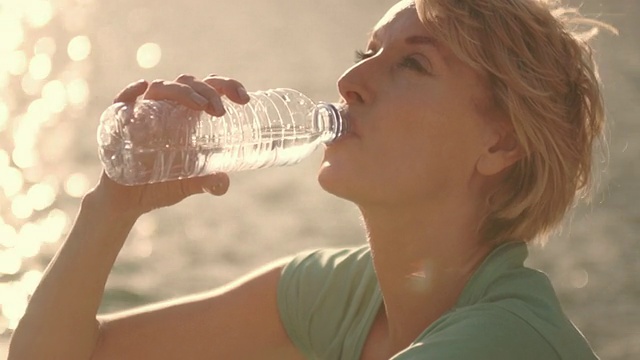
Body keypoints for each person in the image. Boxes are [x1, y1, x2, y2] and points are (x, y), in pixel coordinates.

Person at [9, 0, 612, 359]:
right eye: (368, 51)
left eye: (413, 63)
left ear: (500, 141)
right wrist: (113, 205)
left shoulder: (503, 341)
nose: (351, 81)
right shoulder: (344, 294)